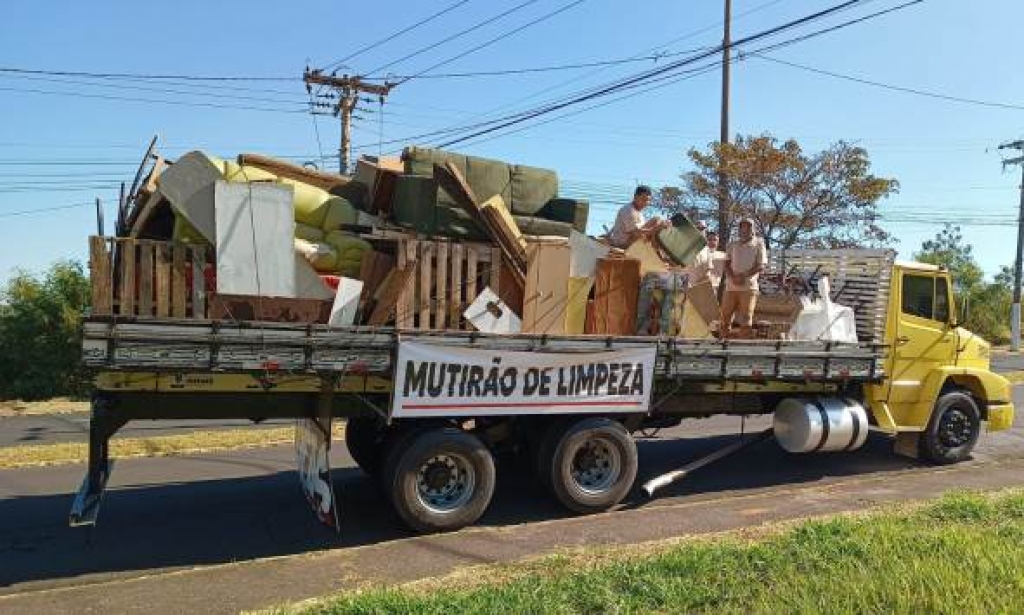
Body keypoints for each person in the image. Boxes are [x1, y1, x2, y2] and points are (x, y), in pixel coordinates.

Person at [720, 218, 767, 337]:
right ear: (739, 229)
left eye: (748, 227)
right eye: (743, 227)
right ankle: (722, 343)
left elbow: (761, 265)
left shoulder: (759, 243)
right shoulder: (732, 244)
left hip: (749, 287)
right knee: (724, 318)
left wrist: (743, 276)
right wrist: (732, 277)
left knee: (746, 318)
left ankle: (744, 347)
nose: (745, 229)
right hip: (730, 287)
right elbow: (726, 263)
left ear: (753, 229)